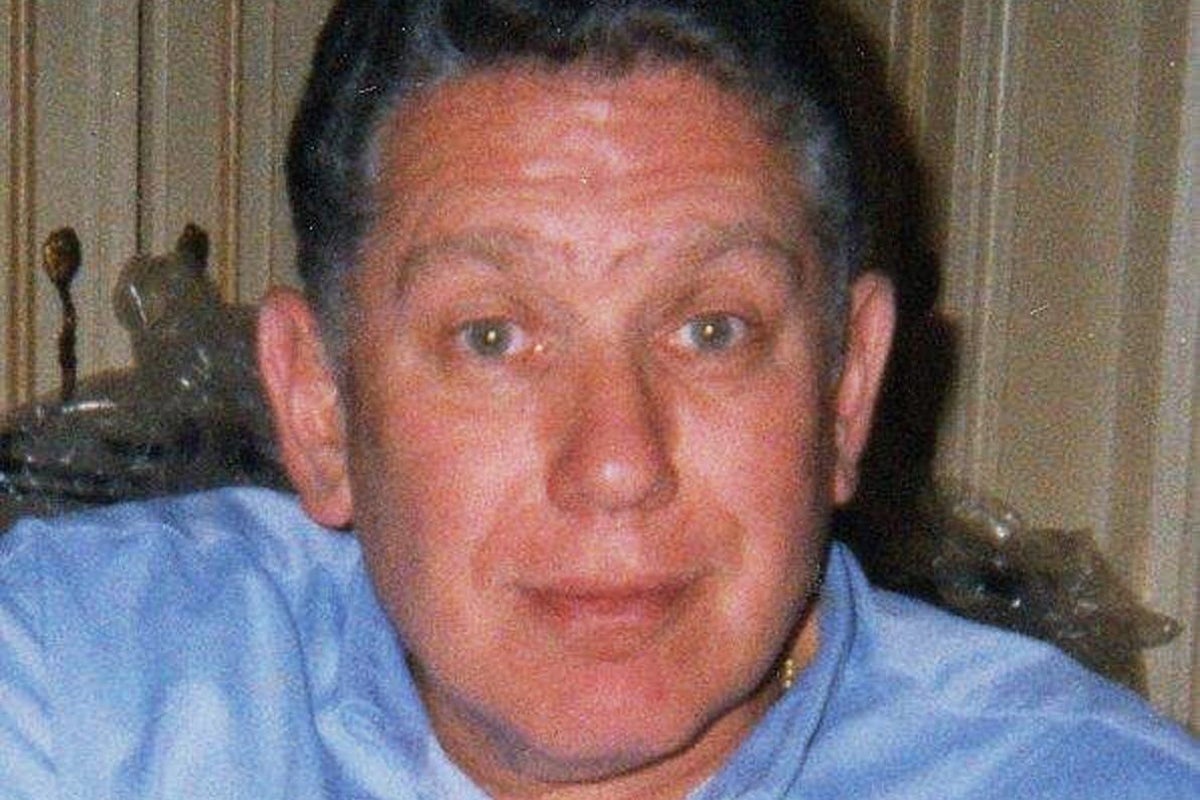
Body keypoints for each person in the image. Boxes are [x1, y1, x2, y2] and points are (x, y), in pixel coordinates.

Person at [0, 1, 1195, 798]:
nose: (618, 461)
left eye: (712, 329)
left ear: (846, 388)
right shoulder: (81, 685)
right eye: (494, 336)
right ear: (319, 408)